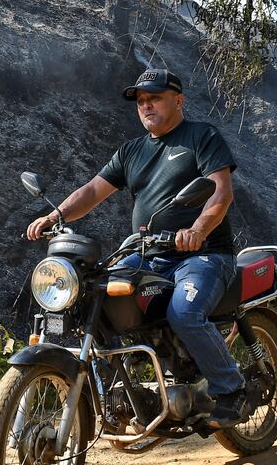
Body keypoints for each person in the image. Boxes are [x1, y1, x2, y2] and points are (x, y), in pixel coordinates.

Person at [25, 68, 247, 428]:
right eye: (141, 101)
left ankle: (231, 387)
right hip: (148, 254)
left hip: (203, 255)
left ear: (178, 100)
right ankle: (119, 392)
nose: (146, 106)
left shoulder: (200, 136)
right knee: (92, 296)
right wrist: (56, 215)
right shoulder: (131, 151)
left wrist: (197, 229)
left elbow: (220, 191)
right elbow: (93, 191)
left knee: (184, 312)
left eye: (155, 98)